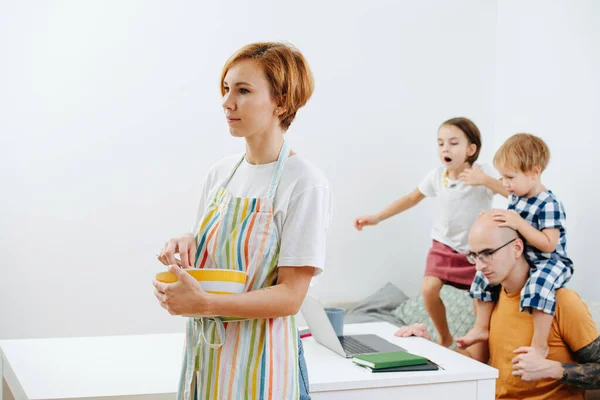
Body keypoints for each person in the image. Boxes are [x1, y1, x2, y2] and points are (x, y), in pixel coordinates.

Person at [153, 42, 332, 400]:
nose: (227, 102)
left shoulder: (305, 183)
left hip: (264, 364)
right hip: (207, 357)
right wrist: (189, 240)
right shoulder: (221, 173)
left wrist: (204, 305)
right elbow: (223, 256)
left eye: (243, 91)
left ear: (281, 102)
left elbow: (290, 297)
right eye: (226, 89)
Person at [397, 211, 600, 399]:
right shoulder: (490, 298)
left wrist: (552, 369)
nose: (479, 266)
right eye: (475, 255)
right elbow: (472, 358)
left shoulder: (563, 301)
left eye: (488, 253)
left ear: (517, 248)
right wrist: (428, 348)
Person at [354, 117, 506, 347]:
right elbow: (411, 199)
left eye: (454, 143)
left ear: (471, 149)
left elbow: (508, 192)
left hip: (474, 253)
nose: (445, 148)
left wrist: (484, 180)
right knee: (428, 288)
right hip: (443, 245)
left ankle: (480, 340)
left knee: (479, 301)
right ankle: (444, 335)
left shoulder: (481, 173)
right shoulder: (437, 176)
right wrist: (376, 218)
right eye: (441, 143)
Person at [460, 134, 574, 358]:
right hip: (526, 259)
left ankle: (540, 344)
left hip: (550, 262)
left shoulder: (549, 203)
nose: (504, 183)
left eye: (509, 177)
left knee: (538, 286)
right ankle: (482, 326)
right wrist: (492, 217)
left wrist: (518, 222)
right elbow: (508, 227)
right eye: (502, 177)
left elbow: (549, 244)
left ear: (534, 173)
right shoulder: (517, 196)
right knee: (481, 277)